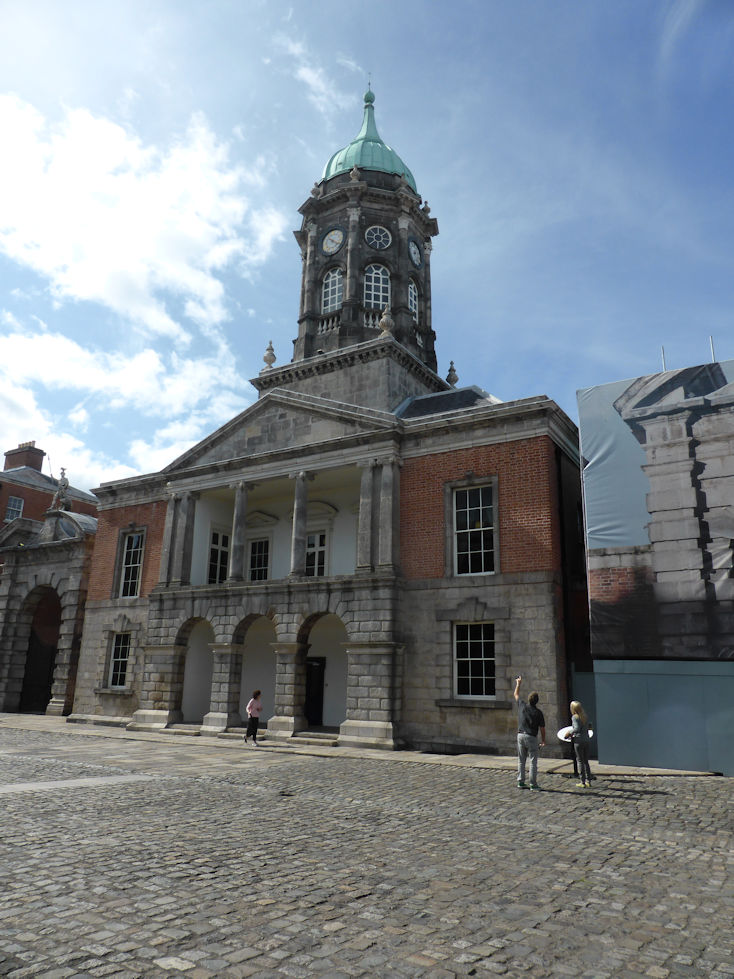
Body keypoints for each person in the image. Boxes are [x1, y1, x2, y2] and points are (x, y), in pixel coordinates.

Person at [513, 675, 546, 790]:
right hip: (531, 737)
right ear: (537, 701)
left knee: (521, 760)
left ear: (528, 699)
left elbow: (516, 695)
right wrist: (543, 740)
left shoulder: (522, 706)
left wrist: (518, 684)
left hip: (520, 735)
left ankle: (520, 782)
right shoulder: (538, 713)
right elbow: (542, 728)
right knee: (533, 761)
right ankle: (533, 784)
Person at [570, 700, 593, 788]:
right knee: (586, 761)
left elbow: (576, 728)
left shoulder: (575, 717)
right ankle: (588, 781)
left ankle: (582, 781)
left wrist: (569, 732)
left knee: (580, 760)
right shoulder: (585, 716)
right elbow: (590, 726)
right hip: (586, 740)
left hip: (578, 741)